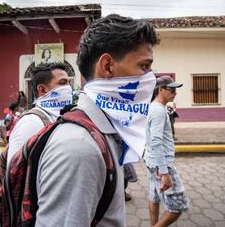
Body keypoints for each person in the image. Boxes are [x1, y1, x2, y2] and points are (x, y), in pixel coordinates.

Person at [11, 14, 158, 226]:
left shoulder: (103, 129)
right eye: (144, 66)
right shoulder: (79, 147)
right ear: (107, 66)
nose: (150, 77)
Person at [7, 62, 72, 164]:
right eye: (62, 83)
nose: (69, 88)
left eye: (69, 83)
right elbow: (14, 169)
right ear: (42, 89)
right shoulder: (30, 122)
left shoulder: (65, 116)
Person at [144, 76, 188, 227]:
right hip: (161, 166)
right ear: (160, 89)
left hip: (152, 162)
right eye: (172, 90)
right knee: (176, 208)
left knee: (154, 199)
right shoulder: (158, 111)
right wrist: (164, 172)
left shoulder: (153, 107)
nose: (175, 93)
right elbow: (156, 141)